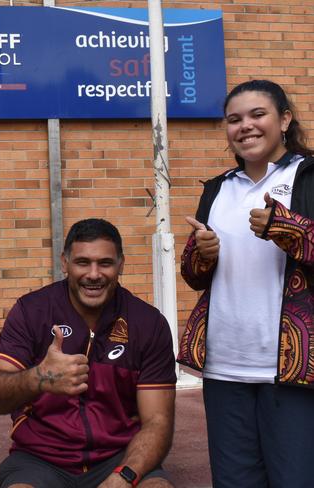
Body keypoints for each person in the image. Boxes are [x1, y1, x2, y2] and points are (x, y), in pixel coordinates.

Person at [179, 80, 314, 488]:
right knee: (234, 482)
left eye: (258, 115)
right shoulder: (218, 188)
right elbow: (194, 277)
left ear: (284, 120)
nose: (245, 126)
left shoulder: (307, 176)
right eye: (234, 119)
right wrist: (202, 252)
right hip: (225, 368)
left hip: (293, 371)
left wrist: (288, 227)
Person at [0, 218, 176, 488]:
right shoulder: (32, 311)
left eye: (105, 263)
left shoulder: (148, 322)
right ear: (64, 263)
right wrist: (40, 377)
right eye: (82, 262)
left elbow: (158, 421)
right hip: (40, 459)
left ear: (121, 265)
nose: (93, 274)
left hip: (118, 455)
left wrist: (125, 475)